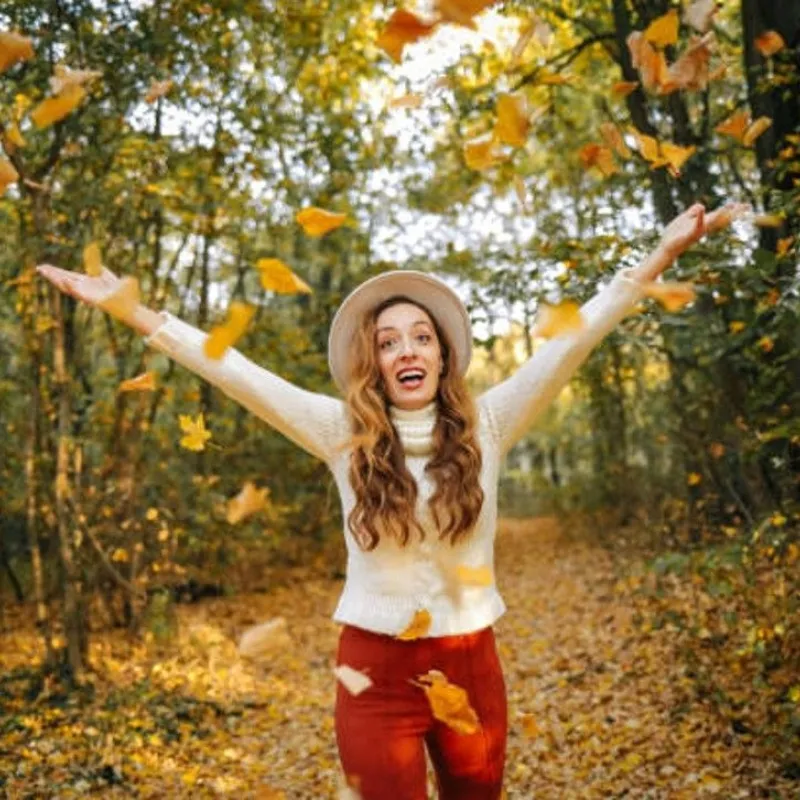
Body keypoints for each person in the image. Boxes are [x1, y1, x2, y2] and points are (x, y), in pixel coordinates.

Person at [37, 201, 743, 799]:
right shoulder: (341, 431)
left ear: (442, 355)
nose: (407, 350)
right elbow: (237, 372)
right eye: (388, 341)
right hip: (374, 672)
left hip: (471, 662)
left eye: (421, 337)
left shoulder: (490, 424)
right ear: (373, 362)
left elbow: (575, 339)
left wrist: (658, 255)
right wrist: (133, 310)